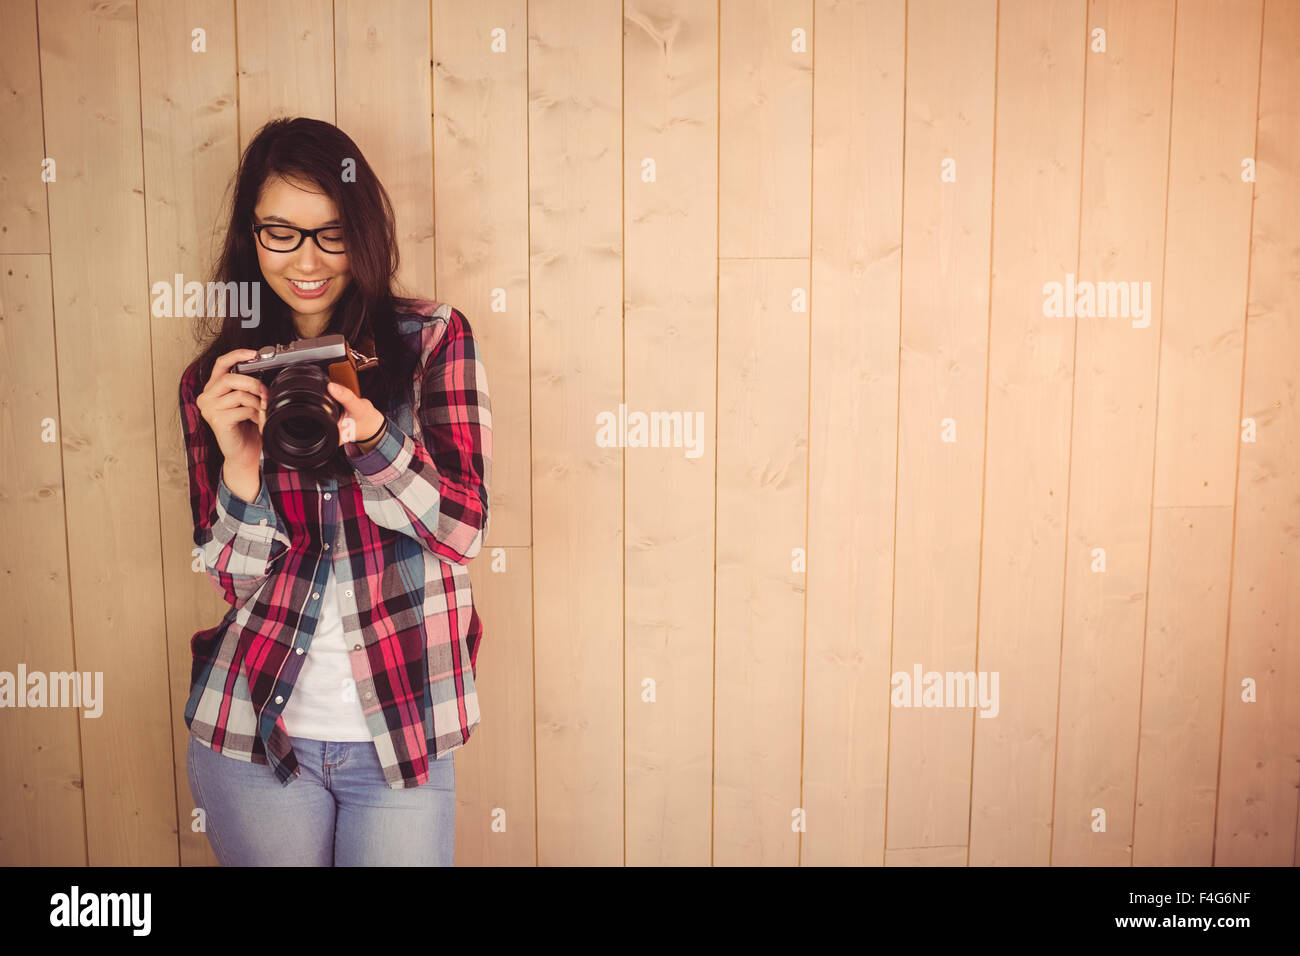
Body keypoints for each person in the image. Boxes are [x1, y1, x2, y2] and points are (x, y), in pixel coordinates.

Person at [177, 117, 492, 866]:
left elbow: (464, 529)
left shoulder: (432, 341)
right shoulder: (220, 380)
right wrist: (241, 468)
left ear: (364, 229)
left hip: (402, 734)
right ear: (252, 237)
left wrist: (377, 438)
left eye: (332, 232)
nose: (307, 259)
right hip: (253, 739)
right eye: (280, 232)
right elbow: (231, 577)